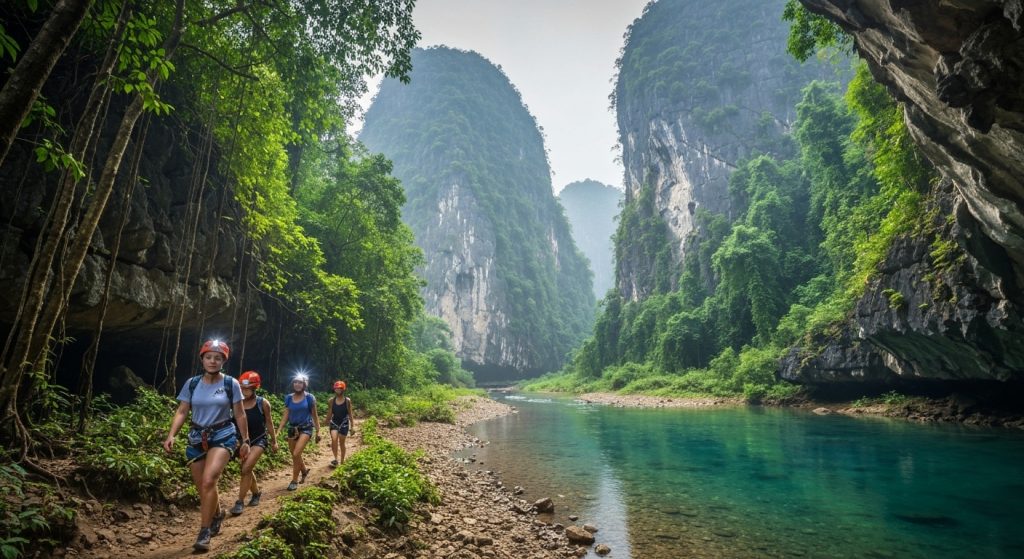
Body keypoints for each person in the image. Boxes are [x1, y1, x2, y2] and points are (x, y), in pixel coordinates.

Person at [163, 339, 250, 552]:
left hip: (223, 434)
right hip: (196, 436)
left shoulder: (231, 383)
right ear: (202, 358)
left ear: (223, 361)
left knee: (209, 480)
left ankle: (204, 531)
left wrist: (246, 440)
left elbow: (239, 413)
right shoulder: (192, 383)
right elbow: (183, 410)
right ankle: (217, 513)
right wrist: (171, 434)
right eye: (209, 357)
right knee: (202, 486)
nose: (213, 361)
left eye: (217, 358)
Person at [230, 371, 277, 516]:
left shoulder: (262, 403)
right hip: (242, 441)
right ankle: (256, 493)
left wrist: (274, 441)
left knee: (245, 469)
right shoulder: (236, 403)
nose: (244, 392)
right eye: (242, 389)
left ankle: (239, 502)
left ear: (255, 388)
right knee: (246, 468)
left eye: (247, 389)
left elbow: (269, 423)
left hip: (259, 439)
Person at [276, 373, 320, 491]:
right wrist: (279, 430)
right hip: (292, 429)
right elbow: (286, 415)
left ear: (304, 384)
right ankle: (304, 471)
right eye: (295, 382)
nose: (297, 384)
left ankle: (294, 480)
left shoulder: (310, 398)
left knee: (296, 454)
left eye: (300, 382)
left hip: (306, 428)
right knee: (294, 454)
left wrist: (318, 431)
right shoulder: (289, 398)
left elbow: (315, 416)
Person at [325, 380, 354, 467]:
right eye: (336, 389)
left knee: (342, 442)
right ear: (334, 390)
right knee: (334, 440)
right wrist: (326, 421)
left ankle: (342, 460)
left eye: (340, 389)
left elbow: (350, 413)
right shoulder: (331, 401)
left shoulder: (347, 401)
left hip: (344, 423)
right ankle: (336, 459)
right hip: (334, 422)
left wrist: (353, 426)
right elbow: (330, 412)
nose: (338, 390)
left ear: (343, 389)